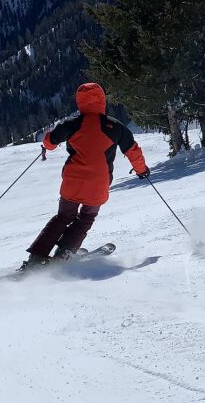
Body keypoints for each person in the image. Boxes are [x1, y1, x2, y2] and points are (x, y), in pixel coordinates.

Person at [20, 83, 149, 270]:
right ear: (102, 100)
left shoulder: (72, 124)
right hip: (98, 183)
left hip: (74, 181)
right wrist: (141, 170)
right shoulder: (116, 127)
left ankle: (36, 258)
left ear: (80, 102)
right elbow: (132, 150)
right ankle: (64, 254)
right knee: (86, 218)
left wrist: (47, 147)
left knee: (63, 217)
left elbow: (50, 140)